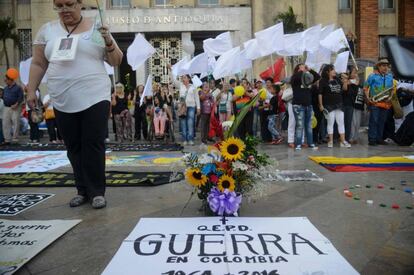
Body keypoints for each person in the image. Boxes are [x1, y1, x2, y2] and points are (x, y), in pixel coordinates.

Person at [26, 0, 123, 209]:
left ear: (80, 4)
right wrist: (31, 89)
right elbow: (38, 63)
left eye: (69, 4)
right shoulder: (47, 30)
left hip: (95, 95)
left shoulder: (98, 26)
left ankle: (97, 191)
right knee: (73, 146)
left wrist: (108, 40)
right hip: (62, 97)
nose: (64, 10)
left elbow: (115, 61)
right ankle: (82, 190)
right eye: (59, 6)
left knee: (93, 142)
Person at [318, 64, 351, 148]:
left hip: (339, 104)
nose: (334, 71)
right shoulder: (323, 81)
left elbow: (344, 89)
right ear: (327, 72)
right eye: (332, 70)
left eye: (334, 69)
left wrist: (345, 81)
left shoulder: (337, 79)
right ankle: (330, 141)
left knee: (341, 123)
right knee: (330, 123)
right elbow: (320, 94)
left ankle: (343, 141)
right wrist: (321, 105)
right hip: (329, 105)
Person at [364, 58, 394, 146]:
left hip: (385, 103)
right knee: (374, 121)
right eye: (383, 66)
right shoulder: (372, 76)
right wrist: (368, 98)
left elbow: (392, 89)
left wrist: (391, 97)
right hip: (375, 103)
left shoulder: (390, 76)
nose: (386, 68)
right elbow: (365, 88)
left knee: (382, 121)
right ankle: (372, 139)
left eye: (387, 66)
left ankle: (379, 138)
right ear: (379, 66)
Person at [291, 64, 319, 150]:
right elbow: (298, 76)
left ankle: (310, 143)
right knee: (300, 125)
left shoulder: (307, 79)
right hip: (298, 106)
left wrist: (309, 69)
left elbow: (317, 77)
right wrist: (302, 71)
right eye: (302, 66)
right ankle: (298, 144)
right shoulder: (295, 77)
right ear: (298, 69)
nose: (305, 67)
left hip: (308, 105)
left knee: (308, 125)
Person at [169, 68, 200, 146]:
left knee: (190, 123)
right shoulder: (180, 85)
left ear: (189, 78)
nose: (183, 79)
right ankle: (184, 139)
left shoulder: (193, 87)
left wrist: (198, 107)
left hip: (191, 107)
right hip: (182, 107)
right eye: (182, 77)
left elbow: (197, 97)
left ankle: (190, 139)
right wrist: (171, 70)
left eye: (185, 77)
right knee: (183, 123)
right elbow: (173, 80)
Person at [2, 68, 24, 145]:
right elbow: (4, 96)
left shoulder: (18, 88)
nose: (5, 81)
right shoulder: (5, 88)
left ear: (11, 80)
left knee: (15, 123)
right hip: (7, 107)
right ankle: (7, 139)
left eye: (6, 80)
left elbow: (21, 97)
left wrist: (16, 104)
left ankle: (15, 139)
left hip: (15, 107)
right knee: (5, 123)